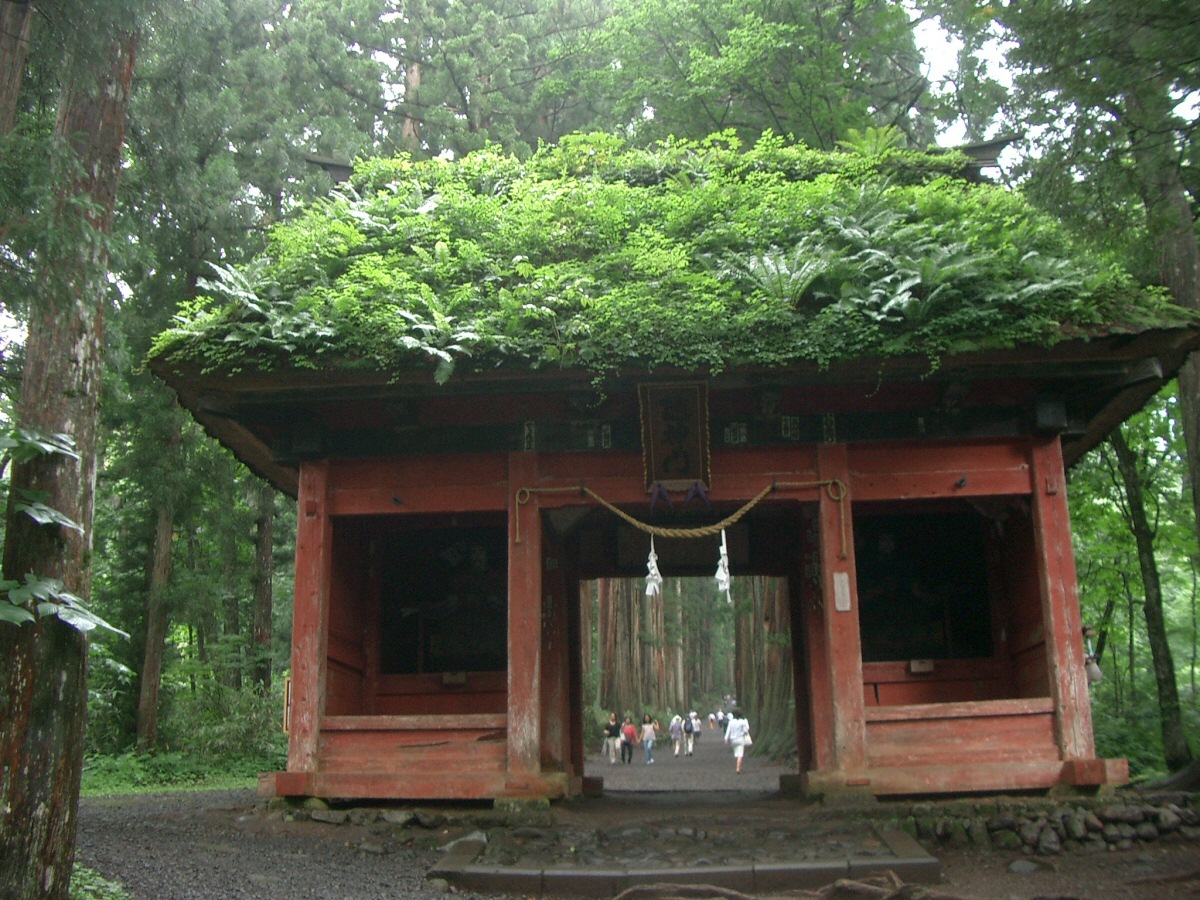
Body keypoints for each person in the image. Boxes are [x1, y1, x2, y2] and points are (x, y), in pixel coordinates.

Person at [724, 708, 751, 774]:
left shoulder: (731, 722)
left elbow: (728, 731)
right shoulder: (742, 722)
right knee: (740, 754)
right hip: (740, 739)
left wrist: (726, 739)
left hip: (733, 740)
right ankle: (738, 768)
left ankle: (739, 766)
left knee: (736, 753)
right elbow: (746, 731)